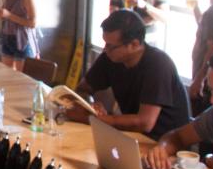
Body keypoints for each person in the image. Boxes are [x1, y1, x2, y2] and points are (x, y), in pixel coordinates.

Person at [74, 10, 190, 140]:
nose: (105, 50)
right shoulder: (111, 57)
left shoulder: (158, 65)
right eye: (105, 43)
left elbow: (145, 123)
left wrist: (99, 119)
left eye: (111, 46)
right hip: (132, 136)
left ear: (134, 44)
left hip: (162, 143)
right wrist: (90, 104)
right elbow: (83, 89)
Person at [0, 0, 39, 70]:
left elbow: (32, 23)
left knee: (22, 76)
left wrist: (9, 15)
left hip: (22, 39)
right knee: (6, 74)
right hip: (7, 37)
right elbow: (2, 16)